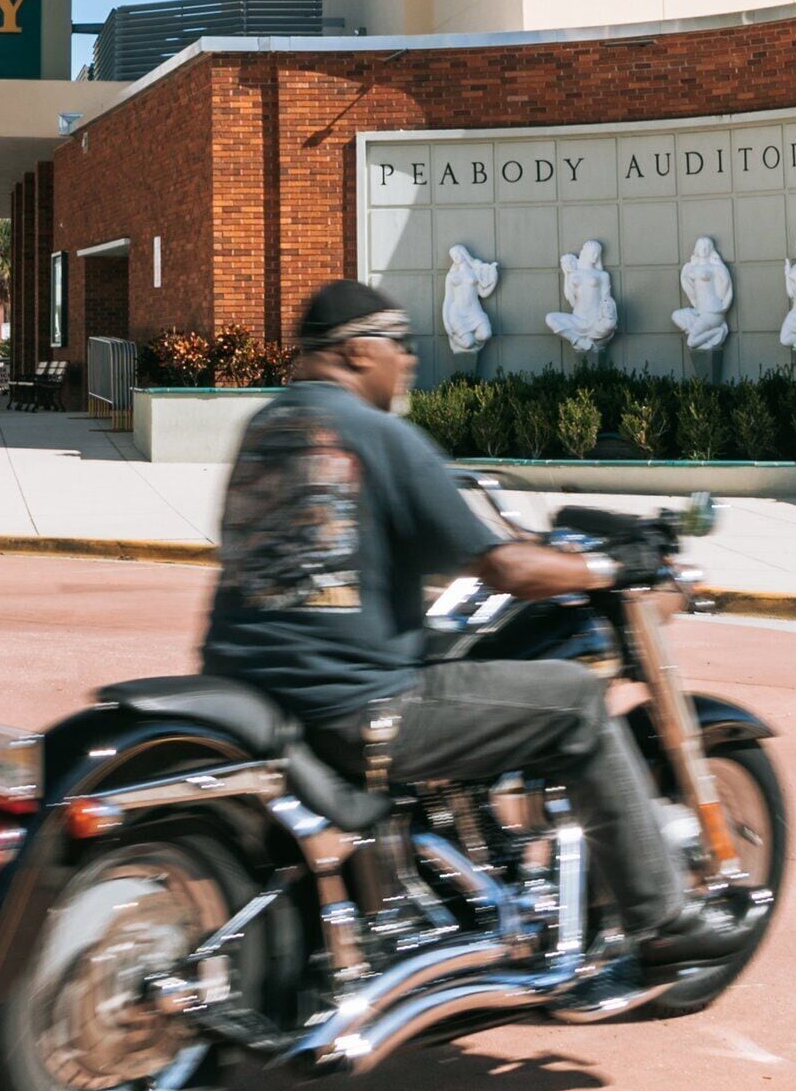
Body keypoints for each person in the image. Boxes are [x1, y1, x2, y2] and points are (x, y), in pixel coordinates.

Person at [199, 279, 748, 967]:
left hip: (254, 695)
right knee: (576, 703)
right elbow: (505, 568)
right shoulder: (379, 436)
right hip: (359, 713)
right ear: (359, 351)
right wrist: (607, 567)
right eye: (401, 345)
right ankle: (662, 919)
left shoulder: (266, 428)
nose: (409, 361)